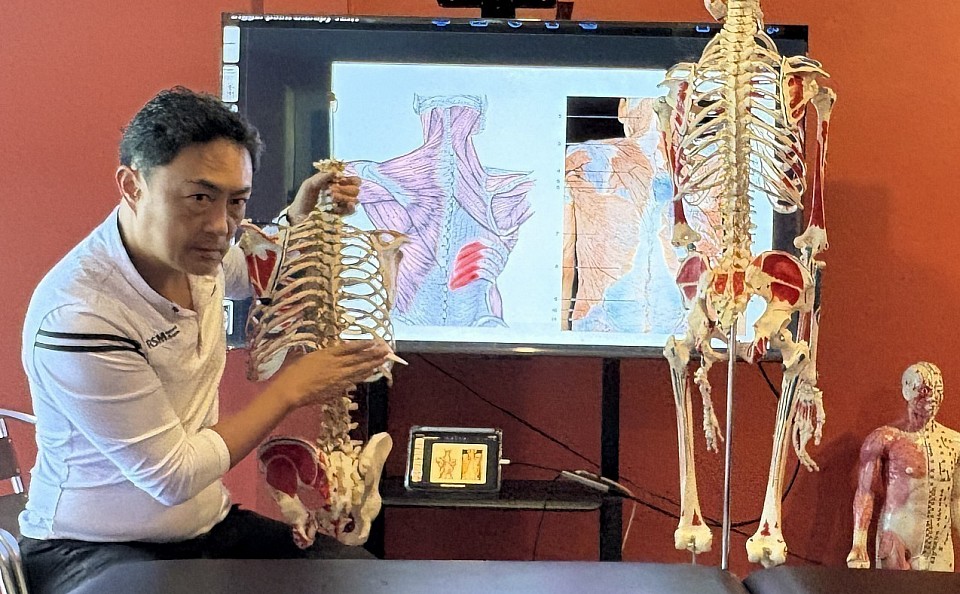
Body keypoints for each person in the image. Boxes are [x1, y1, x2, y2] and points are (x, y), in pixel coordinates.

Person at [18, 87, 391, 593]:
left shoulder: (200, 260)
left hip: (206, 530)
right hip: (91, 549)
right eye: (199, 198)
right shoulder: (81, 314)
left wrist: (302, 219)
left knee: (364, 581)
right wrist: (292, 389)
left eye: (236, 201)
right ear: (132, 186)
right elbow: (171, 477)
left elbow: (260, 269)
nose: (221, 227)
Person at [846, 362, 960, 571]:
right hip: (897, 538)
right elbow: (865, 492)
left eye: (938, 390)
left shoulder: (955, 443)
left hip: (939, 547)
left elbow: (956, 500)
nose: (933, 397)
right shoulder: (885, 438)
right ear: (907, 391)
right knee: (895, 587)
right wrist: (858, 544)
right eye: (924, 390)